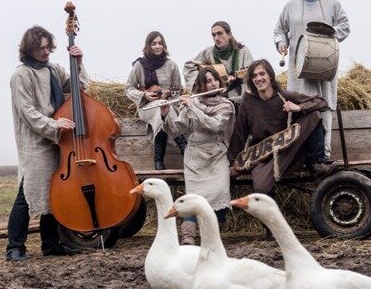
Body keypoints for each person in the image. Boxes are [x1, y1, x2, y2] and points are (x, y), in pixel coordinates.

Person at [7, 25, 85, 261]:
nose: (46, 52)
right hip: (35, 141)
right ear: (29, 48)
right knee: (28, 192)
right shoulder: (21, 75)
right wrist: (54, 125)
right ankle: (15, 247)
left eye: (48, 47)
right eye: (40, 48)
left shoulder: (53, 69)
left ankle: (51, 245)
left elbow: (78, 88)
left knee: (54, 192)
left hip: (59, 140)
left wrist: (78, 63)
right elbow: (28, 112)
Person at [227, 59, 337, 199]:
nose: (258, 78)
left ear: (270, 76)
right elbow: (239, 134)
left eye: (262, 74)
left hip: (288, 149)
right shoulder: (247, 102)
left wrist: (299, 107)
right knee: (261, 190)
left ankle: (317, 165)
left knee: (313, 115)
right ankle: (273, 217)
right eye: (254, 76)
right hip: (264, 155)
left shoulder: (284, 96)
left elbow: (321, 102)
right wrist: (232, 163)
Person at [273, 0, 350, 161]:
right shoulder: (290, 6)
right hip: (298, 70)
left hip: (324, 70)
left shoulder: (332, 3)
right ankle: (302, 156)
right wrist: (282, 43)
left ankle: (323, 155)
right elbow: (279, 30)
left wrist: (331, 35)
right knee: (300, 106)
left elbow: (345, 26)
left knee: (323, 107)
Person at [161, 67, 236, 245]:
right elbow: (177, 129)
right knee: (193, 197)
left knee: (221, 192)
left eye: (215, 80)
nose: (213, 84)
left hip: (217, 154)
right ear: (202, 86)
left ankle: (212, 235)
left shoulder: (226, 105)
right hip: (195, 156)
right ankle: (188, 237)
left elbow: (215, 125)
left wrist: (193, 108)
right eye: (208, 81)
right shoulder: (193, 103)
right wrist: (165, 114)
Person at [125, 31, 187, 170]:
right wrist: (143, 96)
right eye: (154, 43)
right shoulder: (139, 65)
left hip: (168, 105)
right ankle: (183, 147)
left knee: (163, 110)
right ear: (148, 45)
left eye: (160, 43)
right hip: (146, 107)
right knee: (162, 109)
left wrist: (169, 97)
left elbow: (178, 91)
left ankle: (158, 160)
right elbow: (128, 88)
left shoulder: (171, 65)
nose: (157, 46)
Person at [183, 21, 254, 108]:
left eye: (220, 33)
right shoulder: (209, 52)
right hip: (216, 101)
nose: (216, 38)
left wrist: (237, 82)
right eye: (214, 35)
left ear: (229, 34)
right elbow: (188, 66)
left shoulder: (243, 51)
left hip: (239, 101)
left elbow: (251, 78)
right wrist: (201, 82)